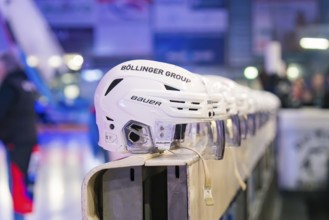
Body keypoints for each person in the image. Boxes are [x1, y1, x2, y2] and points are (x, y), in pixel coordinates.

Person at [0, 51, 38, 219]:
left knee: (17, 183)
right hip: (30, 139)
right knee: (25, 182)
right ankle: (21, 216)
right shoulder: (26, 84)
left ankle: (18, 217)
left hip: (16, 141)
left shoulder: (10, 86)